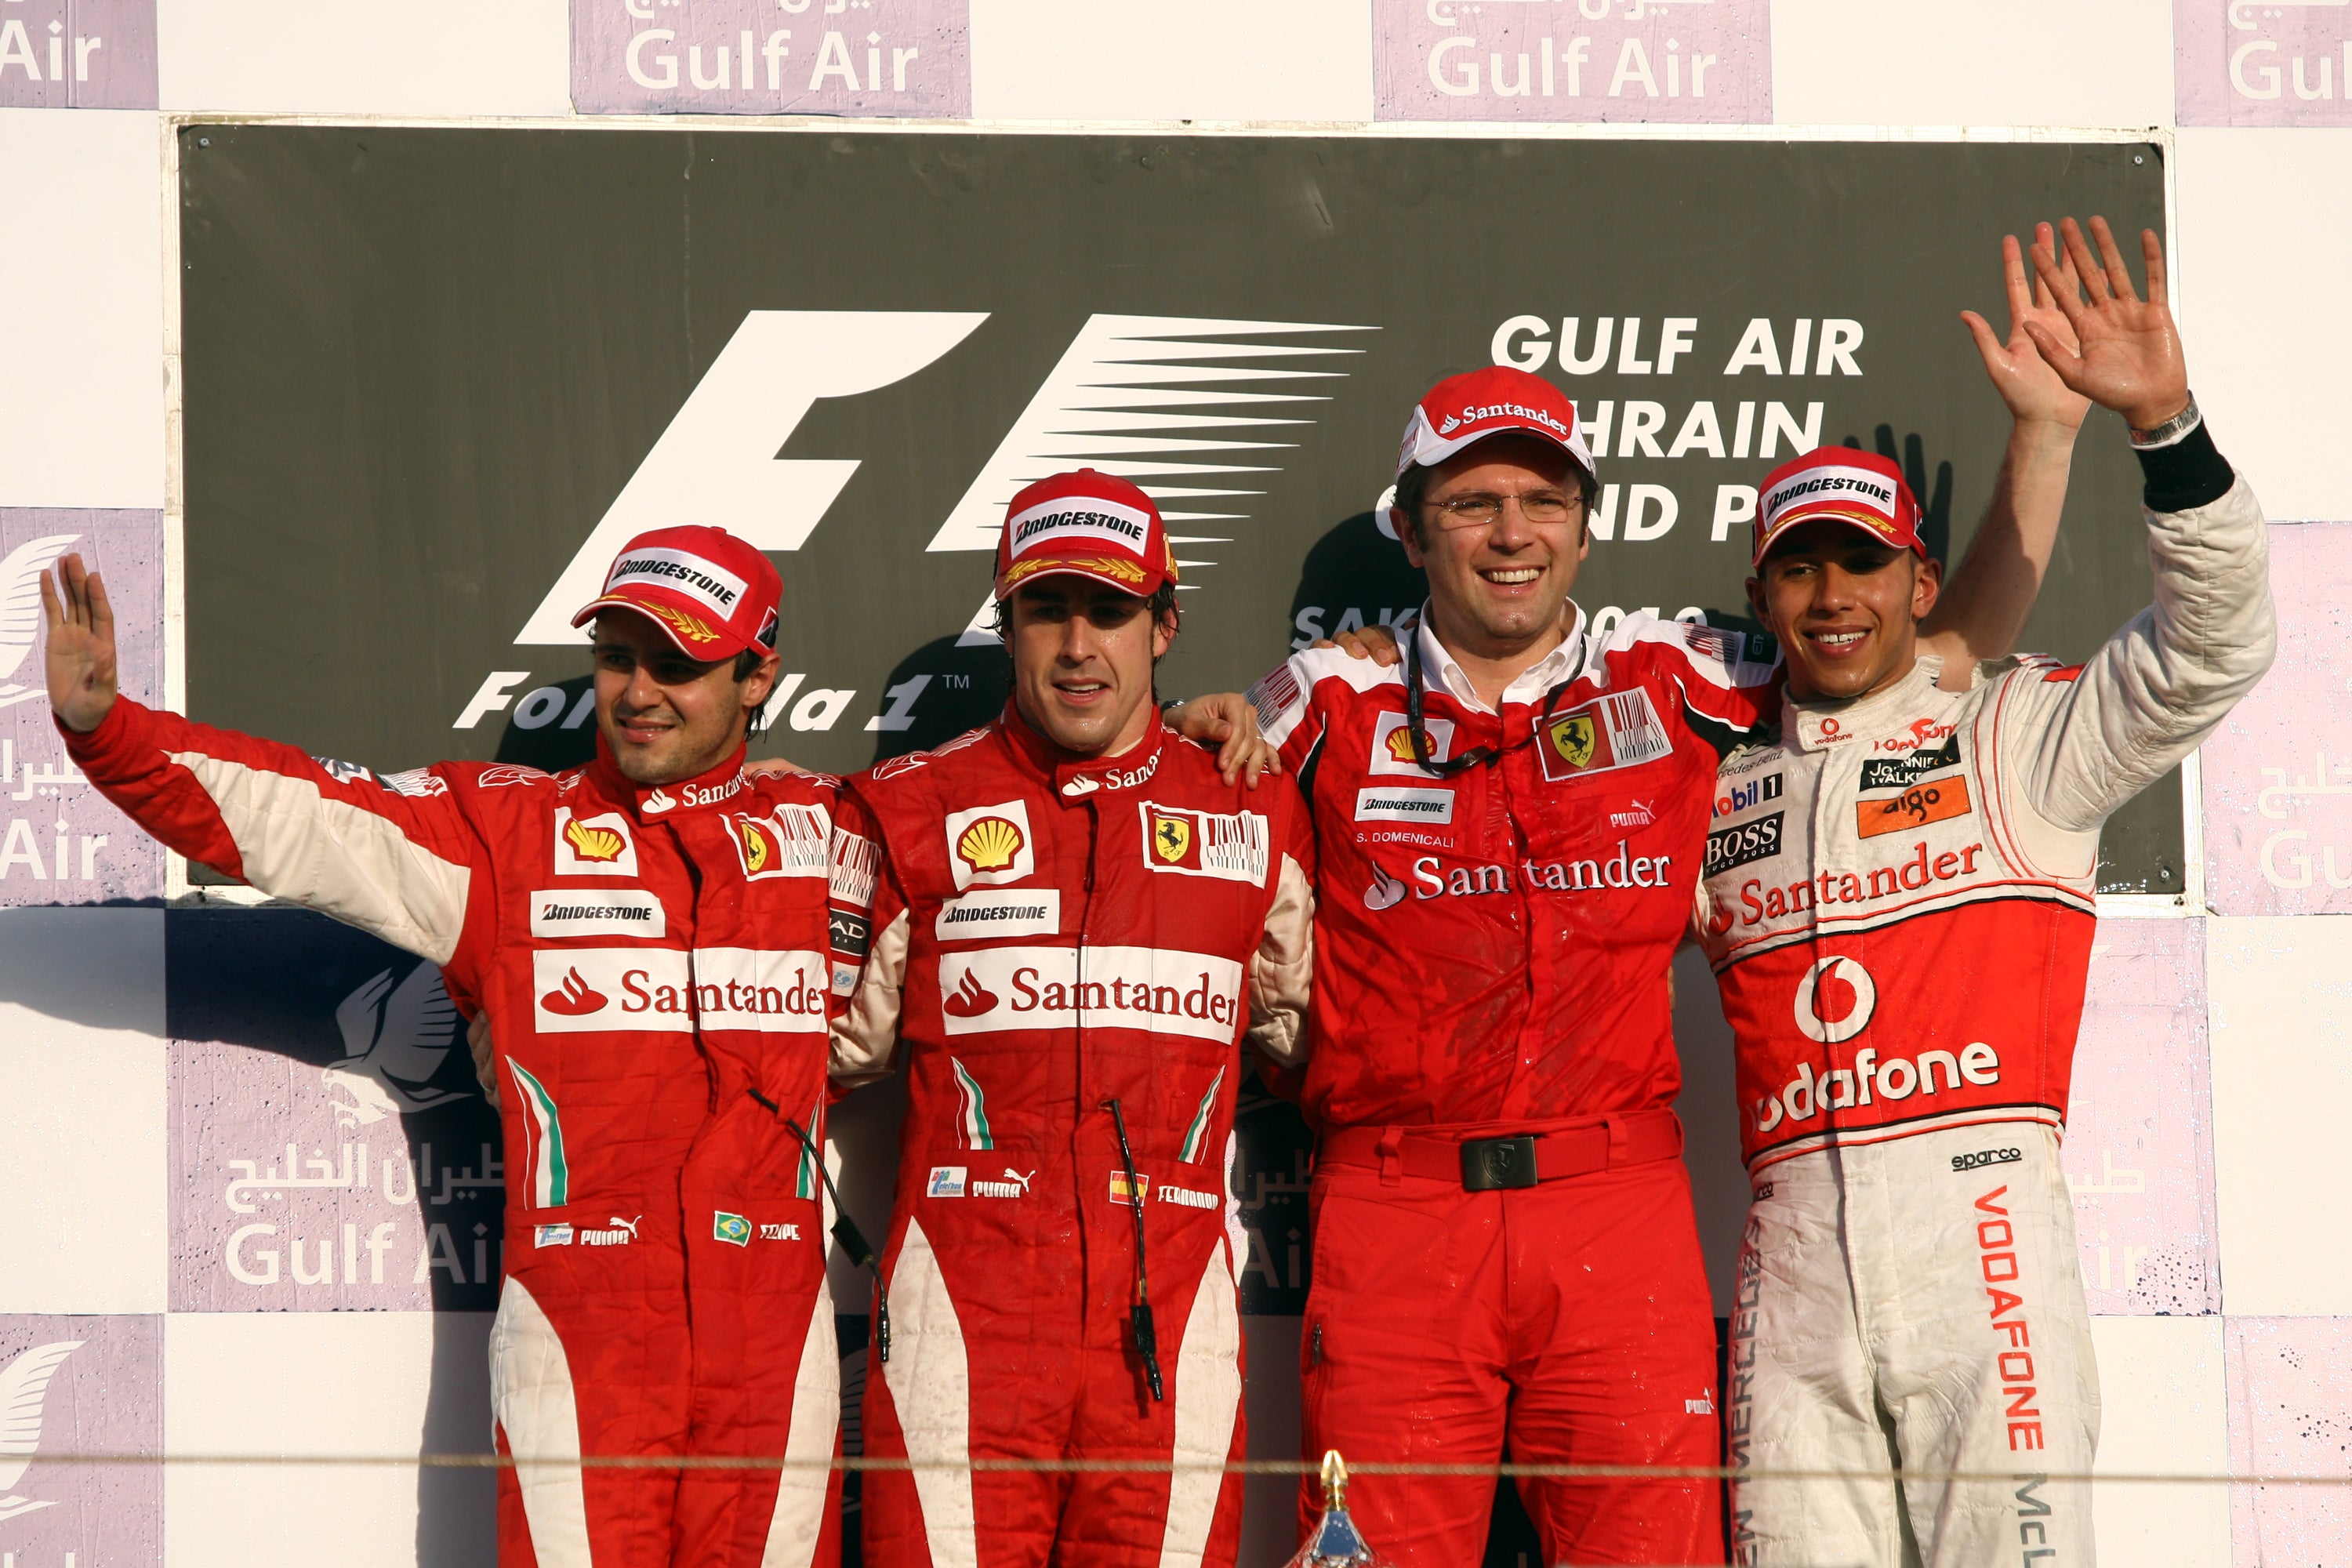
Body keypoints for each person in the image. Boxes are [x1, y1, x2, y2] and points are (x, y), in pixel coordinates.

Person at [1212, 227, 2092, 1565]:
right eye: (1471, 503)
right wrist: (1196, 715)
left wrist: (2044, 439)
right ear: (1410, 526)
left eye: (1545, 501)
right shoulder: (1320, 699)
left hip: (1610, 1213)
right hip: (1391, 1215)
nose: (1514, 534)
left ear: (1586, 519)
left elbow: (1940, 654)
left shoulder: (1680, 675)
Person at [44, 527, 846, 1568]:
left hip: (776, 1345)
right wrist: (111, 733)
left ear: (756, 676)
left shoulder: (833, 837)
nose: (640, 691)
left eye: (680, 665)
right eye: (618, 659)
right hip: (580, 1337)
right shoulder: (502, 838)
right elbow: (301, 817)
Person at [1700, 218, 2274, 1566]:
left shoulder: (2012, 737)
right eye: (1799, 567)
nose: (1833, 596)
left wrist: (2166, 427)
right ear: (1762, 593)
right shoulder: (1711, 785)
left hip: (1987, 1250)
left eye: (1862, 563)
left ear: (1916, 579)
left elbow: (2216, 652)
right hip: (1791, 1277)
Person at [824, 468, 1316, 1568]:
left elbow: (1322, 1043)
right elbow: (824, 1046)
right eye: (1047, 612)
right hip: (961, 1325)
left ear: (1165, 625)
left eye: (1111, 612)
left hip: (1166, 1331)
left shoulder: (1252, 808)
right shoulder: (905, 808)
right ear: (1007, 627)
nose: (1079, 646)